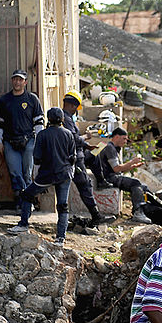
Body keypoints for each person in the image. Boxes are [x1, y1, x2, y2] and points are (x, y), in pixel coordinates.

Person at [7, 107, 75, 245]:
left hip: (47, 175)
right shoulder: (68, 134)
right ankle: (60, 238)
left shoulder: (43, 135)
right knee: (62, 206)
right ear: (62, 119)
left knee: (27, 195)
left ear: (48, 119)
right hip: (65, 174)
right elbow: (72, 158)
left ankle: (23, 224)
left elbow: (37, 158)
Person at [61, 90, 115, 227]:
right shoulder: (65, 119)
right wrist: (86, 137)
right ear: (73, 106)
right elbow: (72, 138)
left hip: (79, 153)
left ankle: (101, 180)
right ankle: (96, 216)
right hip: (73, 158)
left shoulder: (67, 118)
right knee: (85, 185)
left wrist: (87, 146)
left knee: (95, 154)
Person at [0, 69, 44, 213]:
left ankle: (28, 203)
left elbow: (39, 121)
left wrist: (39, 142)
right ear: (12, 81)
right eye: (15, 79)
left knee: (27, 173)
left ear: (25, 82)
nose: (17, 82)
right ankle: (19, 202)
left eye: (20, 79)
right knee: (15, 173)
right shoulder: (5, 100)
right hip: (10, 142)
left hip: (28, 141)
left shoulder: (32, 99)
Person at [96, 127, 151, 224]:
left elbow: (119, 169)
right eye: (124, 138)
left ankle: (145, 210)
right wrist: (131, 162)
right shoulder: (109, 148)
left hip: (113, 176)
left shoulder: (114, 148)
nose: (126, 141)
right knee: (135, 183)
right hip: (109, 178)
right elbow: (116, 168)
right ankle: (138, 213)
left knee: (143, 188)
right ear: (116, 137)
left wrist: (133, 166)